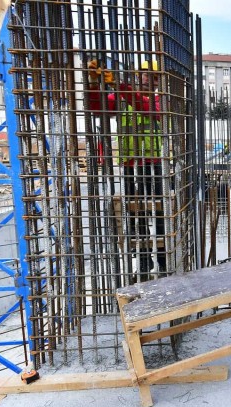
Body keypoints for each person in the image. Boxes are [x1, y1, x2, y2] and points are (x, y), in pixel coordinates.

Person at [86, 59, 166, 280]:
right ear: (138, 76)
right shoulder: (123, 99)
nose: (149, 78)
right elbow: (97, 107)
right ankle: (143, 262)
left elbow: (148, 108)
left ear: (159, 81)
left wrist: (120, 86)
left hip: (155, 164)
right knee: (135, 214)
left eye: (154, 76)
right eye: (145, 74)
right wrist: (94, 83)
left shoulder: (162, 100)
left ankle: (162, 259)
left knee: (158, 213)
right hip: (130, 164)